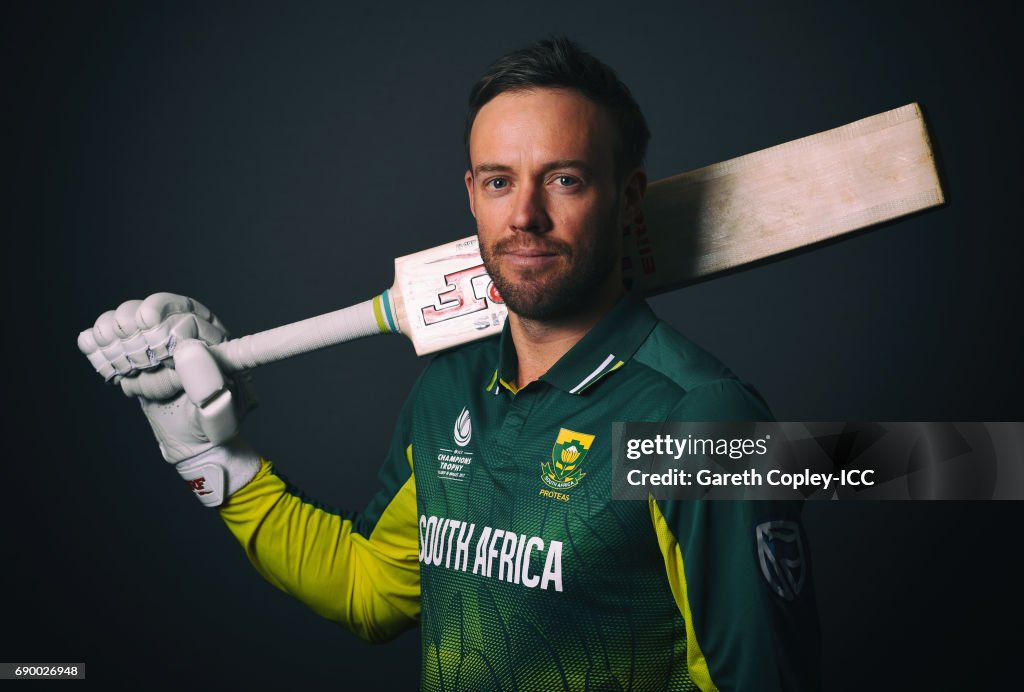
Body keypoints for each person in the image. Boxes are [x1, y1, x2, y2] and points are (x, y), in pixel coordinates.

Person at [79, 37, 820, 691]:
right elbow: (371, 590)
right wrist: (214, 460)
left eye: (564, 179)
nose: (524, 215)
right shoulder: (450, 389)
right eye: (499, 181)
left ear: (628, 198)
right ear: (472, 196)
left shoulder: (699, 419)